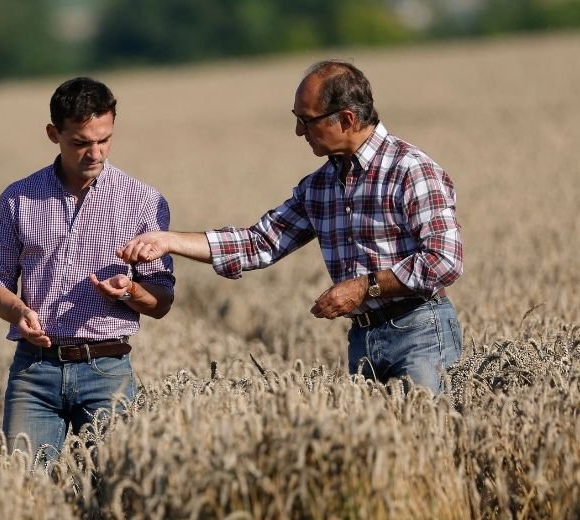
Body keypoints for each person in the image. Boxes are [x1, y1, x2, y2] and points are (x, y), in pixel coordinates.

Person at [118, 60, 464, 394]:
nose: (299, 131)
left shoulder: (410, 170)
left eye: (307, 120)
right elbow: (258, 244)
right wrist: (168, 241)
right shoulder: (320, 186)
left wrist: (363, 288)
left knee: (423, 435)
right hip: (362, 339)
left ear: (346, 118)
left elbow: (443, 261)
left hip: (419, 330)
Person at [0, 76, 175, 466]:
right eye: (81, 142)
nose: (95, 152)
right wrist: (19, 313)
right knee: (22, 490)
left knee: (116, 493)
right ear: (54, 133)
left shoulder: (144, 201)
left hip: (107, 370)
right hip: (33, 370)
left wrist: (129, 292)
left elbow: (162, 301)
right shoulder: (18, 199)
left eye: (104, 139)